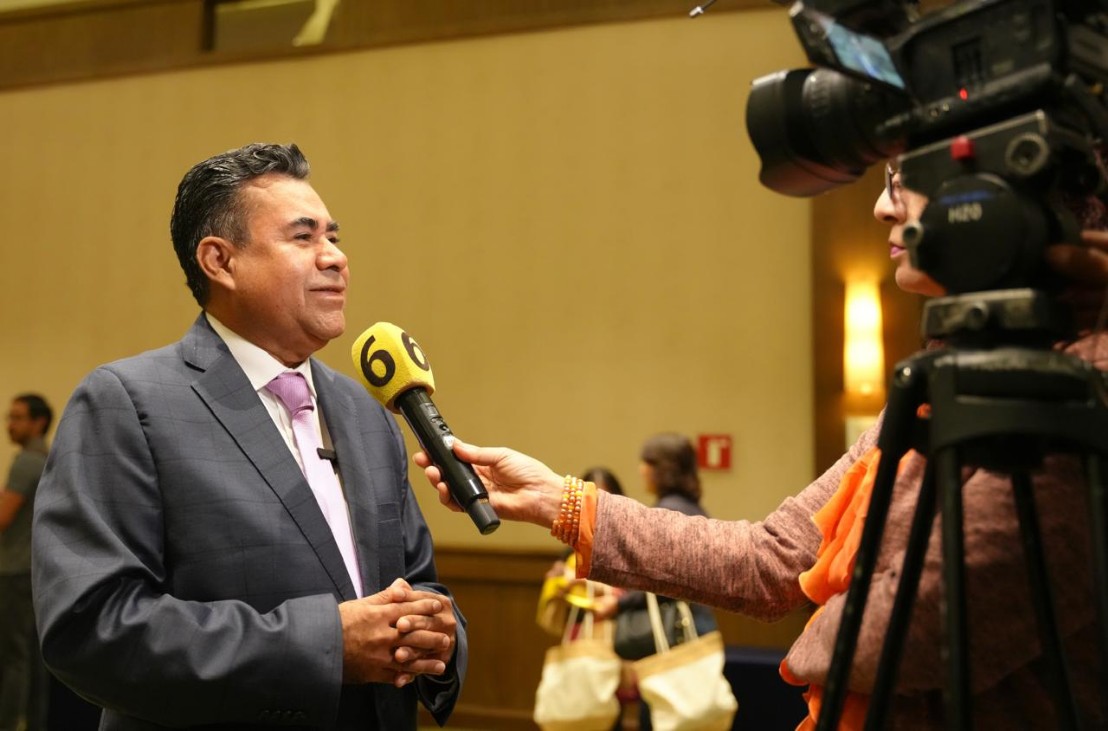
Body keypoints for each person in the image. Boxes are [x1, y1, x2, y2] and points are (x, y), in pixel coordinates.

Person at [417, 163, 1108, 729]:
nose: (880, 207)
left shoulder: (1086, 385)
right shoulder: (937, 377)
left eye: (904, 178)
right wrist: (557, 501)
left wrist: (814, 635)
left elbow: (910, 633)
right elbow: (772, 558)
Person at [31, 143, 467, 730]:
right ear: (220, 261)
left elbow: (417, 581)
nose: (336, 257)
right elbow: (92, 627)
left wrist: (438, 632)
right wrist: (325, 645)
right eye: (304, 237)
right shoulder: (128, 402)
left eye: (334, 237)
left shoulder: (365, 411)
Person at [1, 394, 51, 731]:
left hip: (13, 571)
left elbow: (3, 518)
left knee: (12, 659)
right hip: (34, 572)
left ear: (38, 422)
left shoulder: (26, 463)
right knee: (33, 658)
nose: (10, 424)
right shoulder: (48, 458)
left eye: (17, 417)